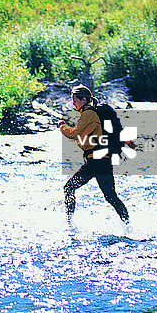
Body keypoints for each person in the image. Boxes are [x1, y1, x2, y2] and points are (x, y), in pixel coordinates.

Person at [58, 85, 129, 225]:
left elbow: (74, 134)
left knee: (110, 196)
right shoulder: (90, 113)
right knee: (69, 188)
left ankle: (128, 224)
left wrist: (62, 126)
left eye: (75, 100)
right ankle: (69, 224)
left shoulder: (89, 114)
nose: (73, 104)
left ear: (83, 99)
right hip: (93, 162)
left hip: (99, 161)